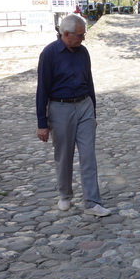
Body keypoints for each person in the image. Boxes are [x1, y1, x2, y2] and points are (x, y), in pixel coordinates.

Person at [36, 14, 111, 217]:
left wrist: (93, 112)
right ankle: (65, 195)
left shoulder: (83, 52)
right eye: (79, 35)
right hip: (60, 108)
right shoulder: (49, 54)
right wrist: (42, 123)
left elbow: (90, 83)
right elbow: (42, 89)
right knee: (64, 155)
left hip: (84, 104)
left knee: (88, 155)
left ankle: (92, 202)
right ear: (66, 34)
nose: (83, 39)